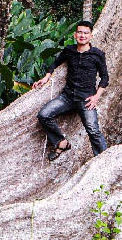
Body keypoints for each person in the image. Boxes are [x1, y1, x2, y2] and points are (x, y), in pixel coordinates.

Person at [33, 20, 109, 161]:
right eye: (79, 32)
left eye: (86, 33)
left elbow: (104, 78)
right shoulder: (69, 51)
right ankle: (61, 142)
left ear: (91, 36)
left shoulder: (97, 55)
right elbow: (55, 63)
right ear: (75, 34)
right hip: (67, 97)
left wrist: (96, 97)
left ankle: (102, 162)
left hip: (86, 99)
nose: (82, 35)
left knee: (93, 130)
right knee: (44, 115)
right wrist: (46, 77)